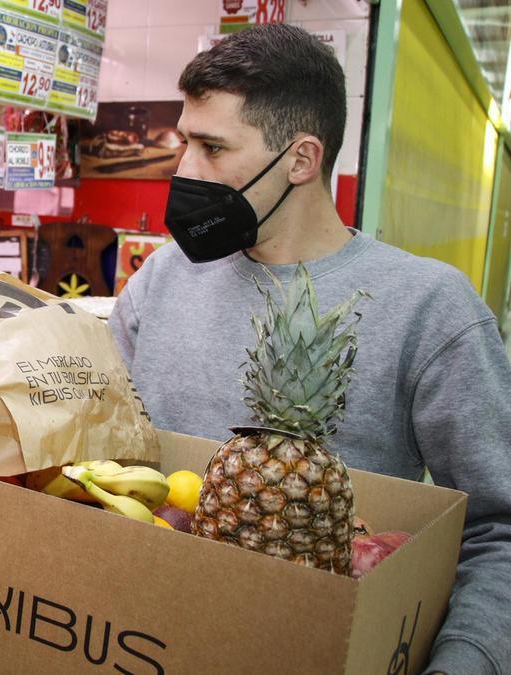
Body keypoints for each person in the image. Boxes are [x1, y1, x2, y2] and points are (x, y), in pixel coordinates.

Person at [109, 25, 511, 675]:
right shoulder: (162, 277)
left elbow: (499, 530)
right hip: (134, 638)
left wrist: (464, 660)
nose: (184, 169)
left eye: (212, 147)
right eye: (185, 141)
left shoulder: (432, 308)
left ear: (301, 159)